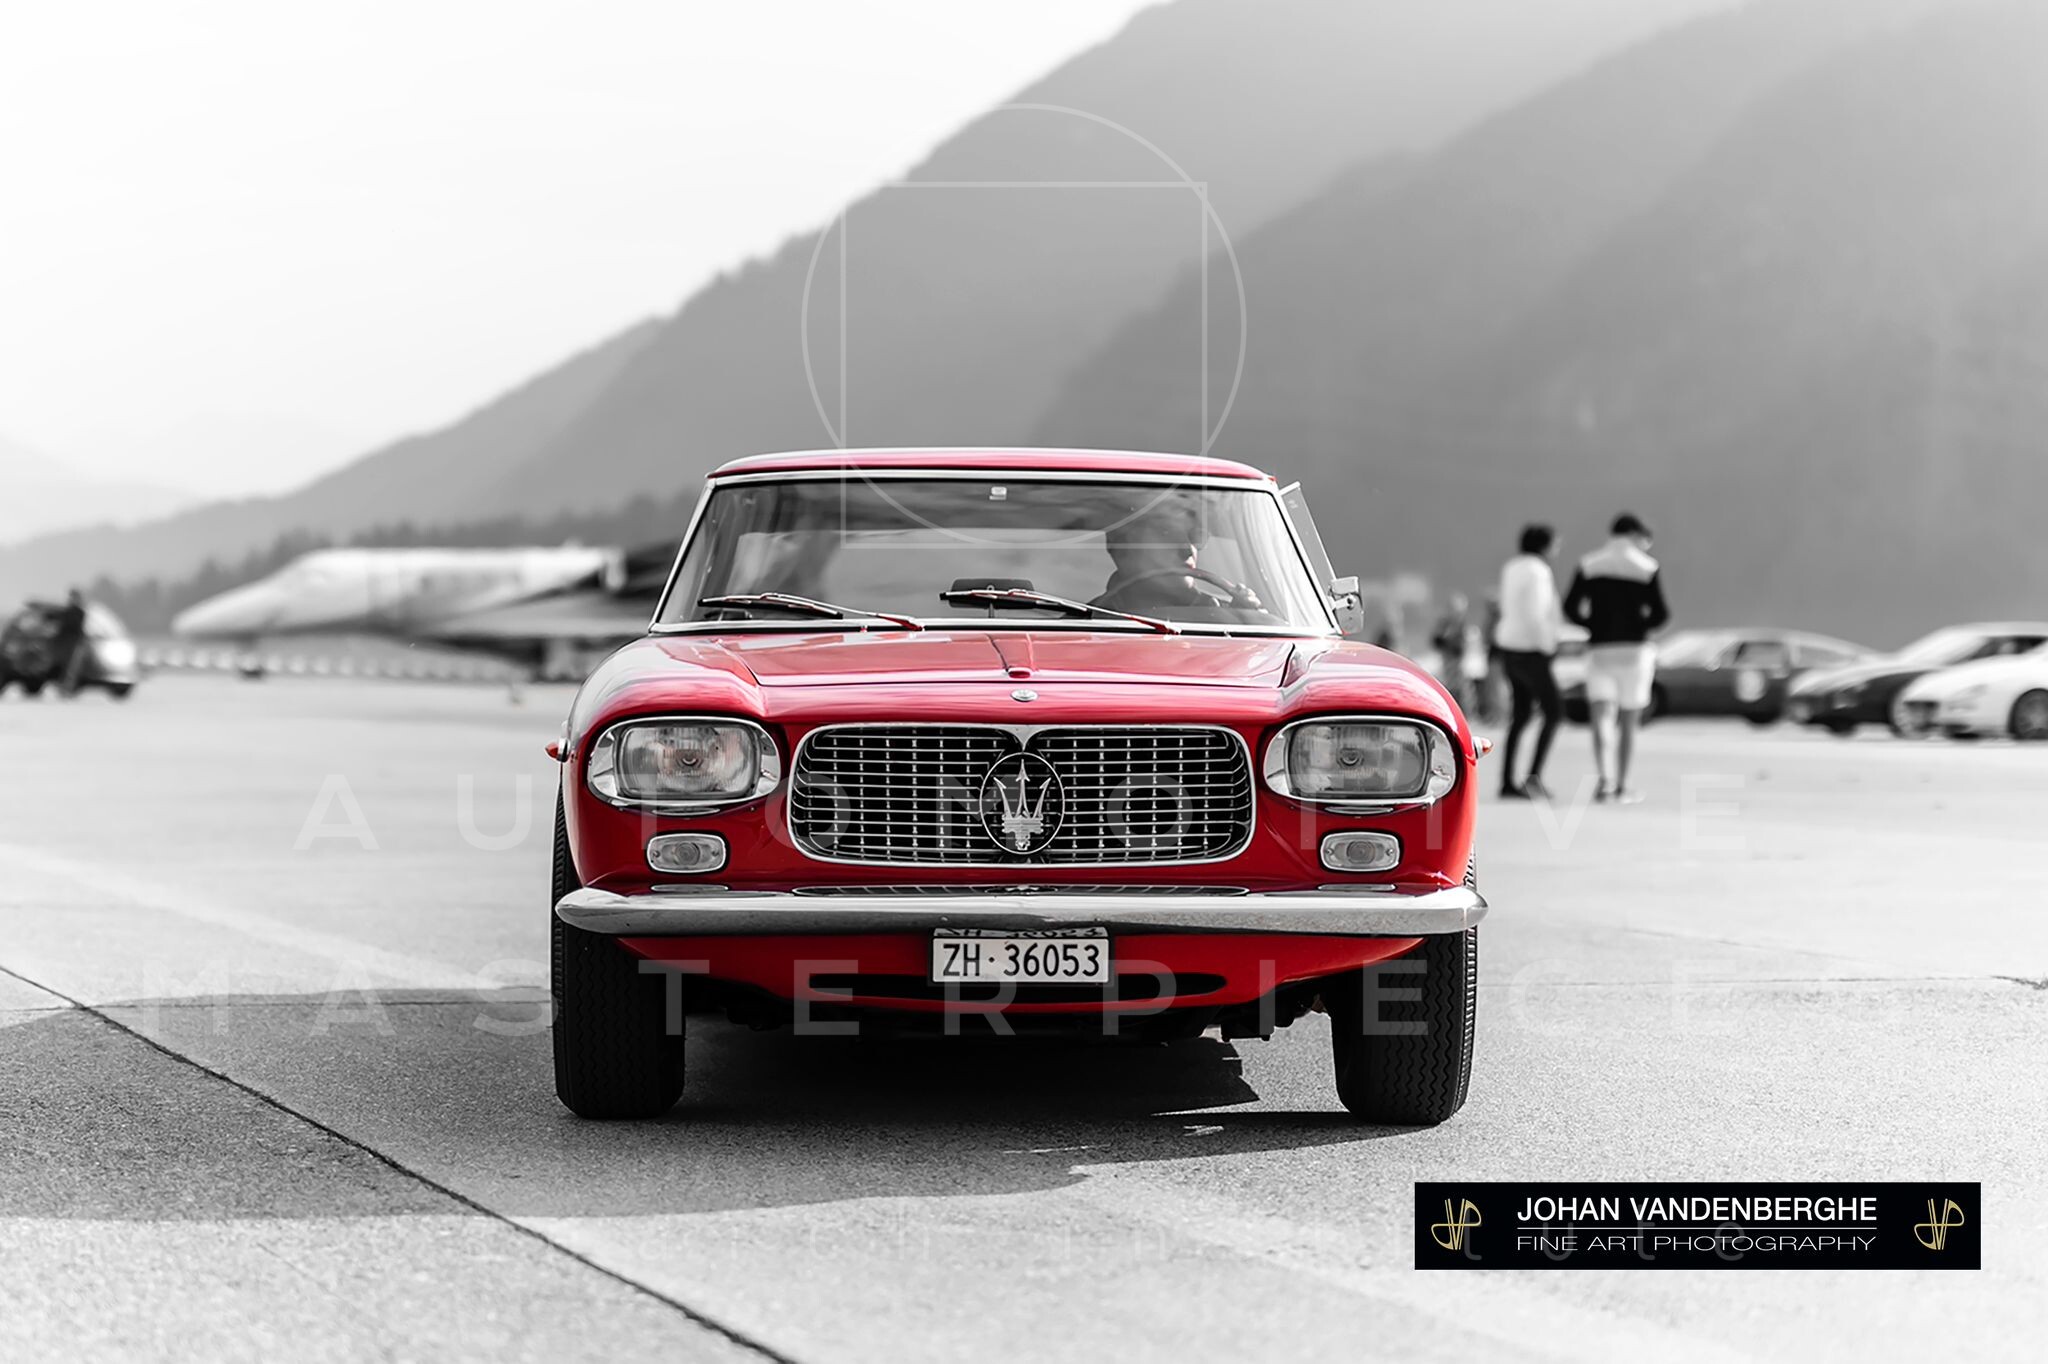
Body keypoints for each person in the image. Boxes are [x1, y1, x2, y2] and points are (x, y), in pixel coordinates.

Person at [1565, 513, 1670, 803]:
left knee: (1601, 715)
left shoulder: (1589, 564)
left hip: (1600, 649)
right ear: (1635, 534)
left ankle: (1604, 780)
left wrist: (1592, 625)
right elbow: (1661, 613)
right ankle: (1623, 785)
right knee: (1628, 719)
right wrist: (1639, 626)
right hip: (1635, 652)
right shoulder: (1647, 567)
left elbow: (1570, 607)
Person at [1493, 524, 1564, 800]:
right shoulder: (1538, 571)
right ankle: (1533, 778)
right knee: (1554, 711)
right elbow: (1537, 613)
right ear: (1544, 545)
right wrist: (1548, 645)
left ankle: (1507, 781)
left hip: (1509, 646)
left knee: (1520, 714)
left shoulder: (1512, 567)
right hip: (1532, 648)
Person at [1430, 593, 1472, 710]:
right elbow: (1436, 640)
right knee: (1449, 685)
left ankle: (1463, 710)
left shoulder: (1462, 625)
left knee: (1460, 687)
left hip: (1457, 660)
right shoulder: (1444, 623)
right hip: (1447, 659)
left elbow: (1462, 646)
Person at [51, 589, 89, 696]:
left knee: (72, 667)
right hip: (65, 643)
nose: (72, 600)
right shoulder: (67, 612)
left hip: (74, 643)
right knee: (65, 667)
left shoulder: (78, 612)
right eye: (72, 597)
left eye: (74, 597)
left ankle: (68, 688)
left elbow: (75, 627)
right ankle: (64, 688)